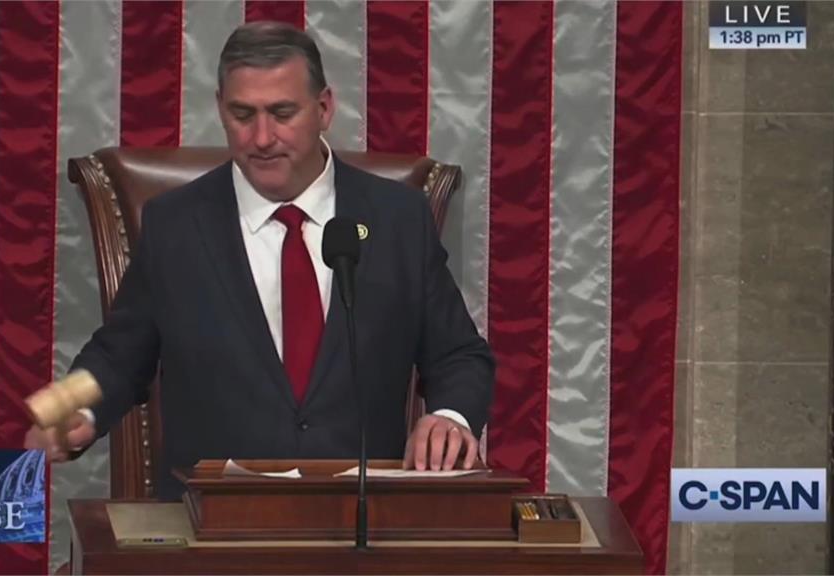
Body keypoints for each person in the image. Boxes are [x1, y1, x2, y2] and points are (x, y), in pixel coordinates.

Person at [25, 21, 494, 501]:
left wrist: (450, 417)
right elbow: (117, 355)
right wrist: (68, 406)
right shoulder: (175, 224)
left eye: (282, 113)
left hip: (360, 520)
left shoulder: (396, 219)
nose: (262, 137)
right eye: (243, 114)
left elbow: (458, 355)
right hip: (212, 521)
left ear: (324, 108)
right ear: (220, 110)